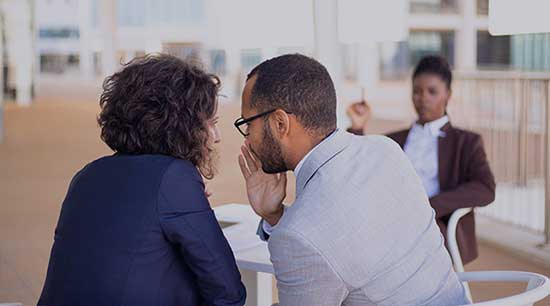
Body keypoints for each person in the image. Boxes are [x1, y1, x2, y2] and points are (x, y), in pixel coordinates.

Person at [236, 54, 469, 306]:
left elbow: (318, 241)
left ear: (280, 122)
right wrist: (275, 216)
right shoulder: (386, 150)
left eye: (248, 124)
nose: (247, 138)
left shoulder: (299, 235)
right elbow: (346, 245)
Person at [38, 54, 246, 306]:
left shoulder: (87, 175)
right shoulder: (174, 177)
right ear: (181, 126)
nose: (216, 137)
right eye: (211, 124)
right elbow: (228, 292)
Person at [347, 55, 496, 265]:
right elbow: (359, 168)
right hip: (393, 225)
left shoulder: (466, 142)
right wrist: (357, 126)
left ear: (448, 96)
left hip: (436, 228)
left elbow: (485, 189)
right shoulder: (394, 141)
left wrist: (429, 207)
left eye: (432, 91)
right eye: (417, 91)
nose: (423, 98)